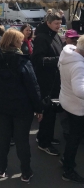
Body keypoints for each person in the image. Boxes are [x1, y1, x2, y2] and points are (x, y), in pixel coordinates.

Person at [0, 28, 43, 182]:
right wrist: (39, 108)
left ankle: (1, 168)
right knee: (22, 139)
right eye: (20, 41)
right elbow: (33, 86)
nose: (22, 43)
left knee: (3, 137)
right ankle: (25, 171)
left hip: (1, 104)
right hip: (21, 107)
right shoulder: (23, 61)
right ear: (15, 43)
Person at [32, 12, 63, 156]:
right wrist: (59, 59)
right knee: (47, 113)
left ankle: (45, 137)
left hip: (55, 80)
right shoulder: (41, 38)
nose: (59, 26)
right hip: (46, 82)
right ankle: (44, 143)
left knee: (51, 113)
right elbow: (38, 60)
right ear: (49, 23)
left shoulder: (54, 35)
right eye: (56, 23)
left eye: (60, 23)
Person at [58, 35, 84, 183]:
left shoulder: (66, 55)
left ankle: (65, 159)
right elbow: (80, 90)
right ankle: (68, 170)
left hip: (66, 101)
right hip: (77, 107)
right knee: (75, 138)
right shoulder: (79, 65)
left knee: (71, 137)